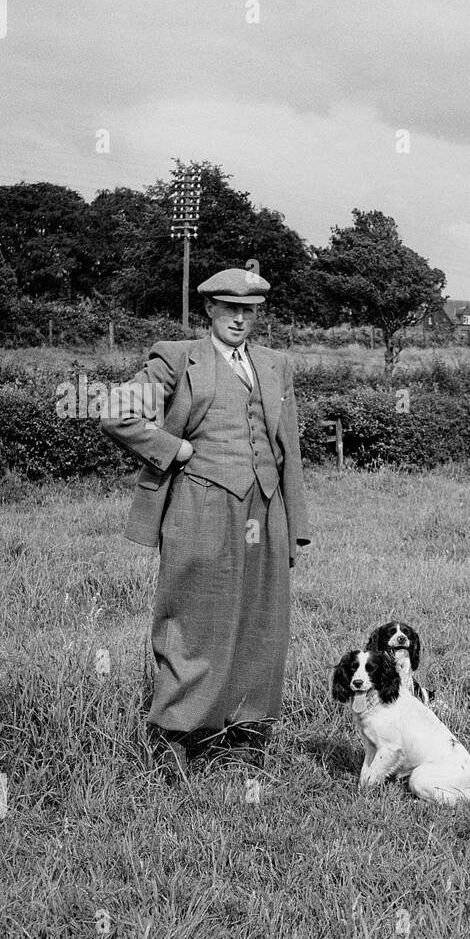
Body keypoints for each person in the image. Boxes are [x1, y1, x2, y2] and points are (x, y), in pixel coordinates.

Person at [100, 268, 311, 779]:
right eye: (229, 308)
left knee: (262, 621)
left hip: (265, 508)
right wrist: (175, 450)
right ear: (210, 310)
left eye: (250, 310)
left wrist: (296, 524)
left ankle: (239, 734)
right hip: (200, 505)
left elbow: (290, 450)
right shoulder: (176, 357)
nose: (240, 318)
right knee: (193, 619)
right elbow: (115, 412)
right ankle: (175, 737)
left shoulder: (275, 365)